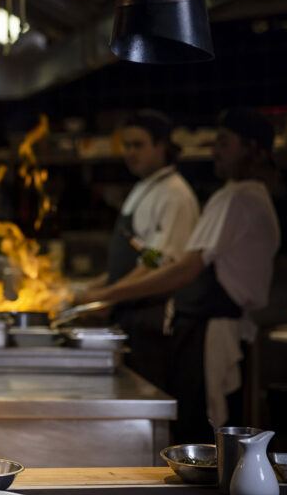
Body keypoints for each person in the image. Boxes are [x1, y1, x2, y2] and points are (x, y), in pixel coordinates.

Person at [87, 109, 280, 444]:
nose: (214, 151)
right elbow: (159, 257)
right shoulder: (250, 196)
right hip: (206, 327)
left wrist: (108, 294)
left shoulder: (234, 196)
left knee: (202, 429)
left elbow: (182, 268)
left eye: (224, 143)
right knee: (208, 427)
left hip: (210, 331)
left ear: (251, 148)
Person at [80, 110, 199, 390]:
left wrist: (107, 295)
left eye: (139, 145)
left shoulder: (174, 194)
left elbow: (158, 262)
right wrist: (91, 289)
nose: (131, 153)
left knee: (147, 399)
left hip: (153, 320)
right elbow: (139, 258)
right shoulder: (145, 187)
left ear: (161, 146)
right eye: (127, 145)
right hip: (130, 314)